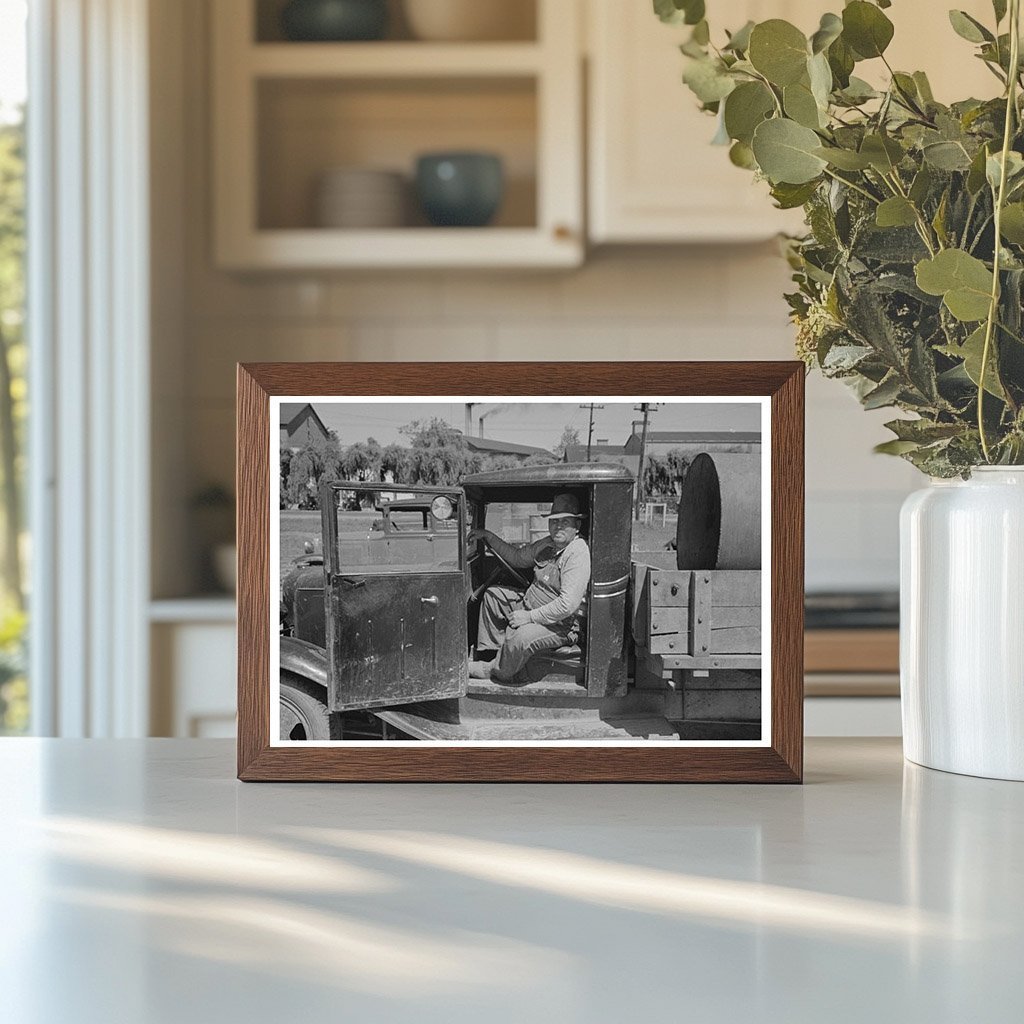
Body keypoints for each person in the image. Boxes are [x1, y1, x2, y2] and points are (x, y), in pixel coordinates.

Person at [467, 493, 591, 684]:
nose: (558, 526)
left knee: (522, 637)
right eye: (554, 521)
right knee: (493, 596)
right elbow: (517, 557)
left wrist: (529, 617)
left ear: (577, 526)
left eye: (565, 521)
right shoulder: (549, 544)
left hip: (560, 625)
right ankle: (495, 656)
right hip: (530, 606)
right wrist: (487, 536)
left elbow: (567, 605)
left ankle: (494, 670)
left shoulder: (577, 551)